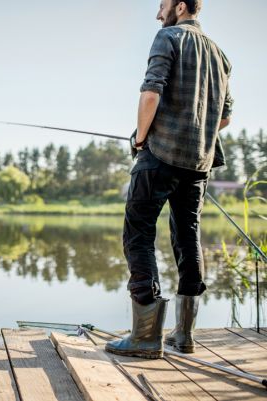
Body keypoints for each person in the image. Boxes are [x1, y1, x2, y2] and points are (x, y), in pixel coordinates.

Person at [105, 0, 233, 359]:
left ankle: (145, 337)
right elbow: (223, 118)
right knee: (188, 236)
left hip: (159, 155)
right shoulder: (221, 56)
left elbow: (150, 93)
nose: (157, 14)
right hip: (198, 164)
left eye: (161, 5)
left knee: (139, 233)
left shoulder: (169, 38)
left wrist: (142, 138)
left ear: (179, 6)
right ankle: (184, 335)